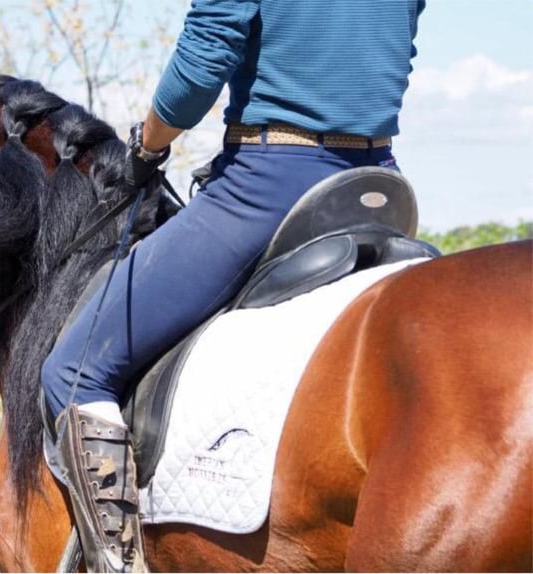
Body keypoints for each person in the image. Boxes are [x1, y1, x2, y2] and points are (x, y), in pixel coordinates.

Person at [42, 0, 426, 571]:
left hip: (268, 187)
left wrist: (148, 143)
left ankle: (117, 564)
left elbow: (202, 61)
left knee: (73, 371)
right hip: (379, 187)